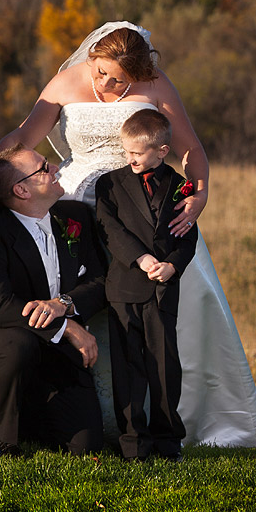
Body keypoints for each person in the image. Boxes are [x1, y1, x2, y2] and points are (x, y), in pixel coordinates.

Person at [0, 21, 256, 448]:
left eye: (118, 79)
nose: (105, 83)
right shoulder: (65, 81)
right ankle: (63, 413)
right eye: (100, 71)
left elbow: (190, 149)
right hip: (75, 202)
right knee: (73, 285)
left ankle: (172, 421)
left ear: (139, 72)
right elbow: (24, 137)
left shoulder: (157, 85)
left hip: (145, 205)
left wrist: (199, 195)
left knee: (164, 298)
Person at [0, 146, 108, 456]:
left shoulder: (76, 217)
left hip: (59, 353)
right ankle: (6, 440)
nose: (54, 168)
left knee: (85, 446)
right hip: (6, 341)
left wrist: (64, 304)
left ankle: (34, 414)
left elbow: (100, 280)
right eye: (43, 167)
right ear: (22, 190)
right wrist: (67, 327)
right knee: (17, 344)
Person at [96, 109, 198, 461]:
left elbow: (188, 233)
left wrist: (173, 265)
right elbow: (111, 229)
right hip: (125, 287)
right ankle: (133, 442)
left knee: (165, 366)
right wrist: (141, 258)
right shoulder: (109, 185)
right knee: (128, 367)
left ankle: (169, 440)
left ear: (162, 150)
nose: (130, 158)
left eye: (137, 153)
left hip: (163, 290)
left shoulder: (180, 186)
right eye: (126, 152)